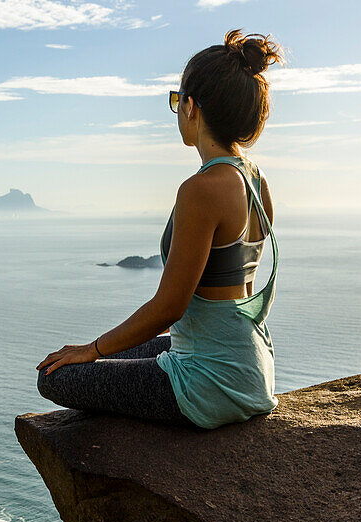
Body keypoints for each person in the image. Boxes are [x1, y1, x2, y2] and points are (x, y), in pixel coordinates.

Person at [36, 29, 285, 429]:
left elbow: (171, 307)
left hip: (208, 385)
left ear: (190, 106)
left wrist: (93, 349)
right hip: (252, 369)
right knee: (132, 352)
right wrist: (105, 351)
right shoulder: (256, 181)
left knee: (54, 375)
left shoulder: (200, 190)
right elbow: (220, 297)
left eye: (176, 101)